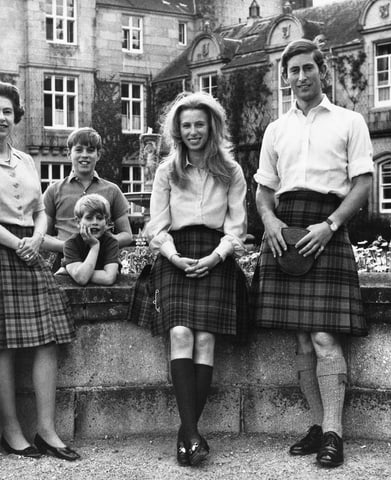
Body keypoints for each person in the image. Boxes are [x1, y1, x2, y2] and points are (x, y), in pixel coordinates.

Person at [253, 38, 373, 468]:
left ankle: (335, 433)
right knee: (302, 337)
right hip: (284, 230)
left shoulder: (349, 121)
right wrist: (269, 222)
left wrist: (331, 225)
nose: (301, 77)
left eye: (308, 68)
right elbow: (264, 190)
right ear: (284, 77)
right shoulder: (276, 129)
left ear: (323, 70)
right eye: (293, 71)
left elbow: (361, 182)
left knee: (324, 336)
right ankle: (319, 425)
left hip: (326, 225)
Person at [0, 81, 81, 462]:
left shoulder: (26, 160)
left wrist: (39, 238)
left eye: (8, 111)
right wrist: (18, 244)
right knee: (3, 345)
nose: (1, 117)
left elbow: (41, 210)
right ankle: (12, 432)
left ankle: (46, 430)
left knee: (47, 339)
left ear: (16, 117)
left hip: (30, 251)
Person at [140, 91, 249, 467]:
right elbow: (156, 226)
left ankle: (187, 434)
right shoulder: (166, 171)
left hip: (216, 254)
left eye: (199, 124)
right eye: (186, 125)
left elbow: (237, 228)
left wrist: (216, 256)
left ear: (212, 126)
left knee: (205, 339)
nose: (193, 131)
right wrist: (175, 257)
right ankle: (191, 433)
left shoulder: (231, 171)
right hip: (175, 255)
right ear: (177, 130)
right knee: (181, 333)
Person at [42, 127, 133, 266]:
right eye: (78, 150)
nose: (84, 155)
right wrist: (69, 246)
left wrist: (101, 244)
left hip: (105, 261)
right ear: (68, 154)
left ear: (98, 155)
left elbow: (127, 235)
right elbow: (42, 236)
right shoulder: (54, 190)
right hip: (66, 261)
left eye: (90, 150)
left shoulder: (112, 190)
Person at [63, 193, 119, 285]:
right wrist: (94, 247)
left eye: (99, 218)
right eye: (89, 218)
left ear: (106, 222)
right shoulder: (71, 243)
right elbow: (82, 279)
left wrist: (74, 273)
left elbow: (108, 278)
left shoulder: (111, 242)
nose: (95, 222)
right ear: (78, 221)